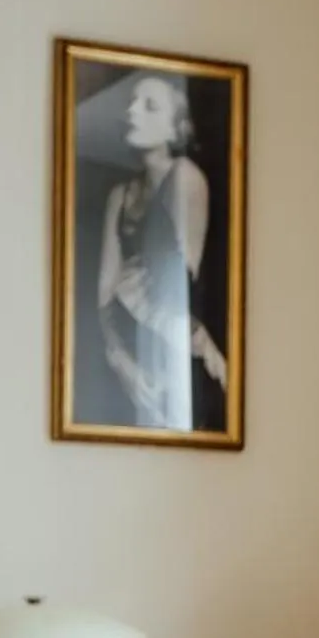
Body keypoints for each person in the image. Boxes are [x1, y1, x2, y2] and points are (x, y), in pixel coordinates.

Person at [97, 75, 227, 430]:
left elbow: (177, 288)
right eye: (131, 103)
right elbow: (106, 291)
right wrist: (120, 359)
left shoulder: (185, 177)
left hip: (170, 338)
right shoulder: (119, 195)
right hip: (127, 343)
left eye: (148, 106)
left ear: (175, 131)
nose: (130, 111)